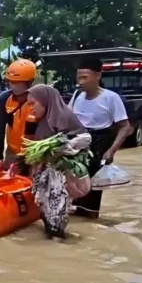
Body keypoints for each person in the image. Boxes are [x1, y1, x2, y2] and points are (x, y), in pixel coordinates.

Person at [68, 58, 133, 219]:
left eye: (85, 77)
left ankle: (90, 217)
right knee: (76, 180)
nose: (80, 82)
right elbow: (67, 118)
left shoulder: (111, 98)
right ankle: (78, 215)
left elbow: (125, 126)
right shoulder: (77, 95)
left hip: (99, 144)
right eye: (78, 78)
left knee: (93, 186)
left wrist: (111, 151)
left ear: (98, 76)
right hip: (78, 143)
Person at [26, 85, 91, 239]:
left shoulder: (64, 117)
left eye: (33, 104)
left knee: (57, 209)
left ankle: (57, 240)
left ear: (45, 101)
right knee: (45, 207)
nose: (31, 109)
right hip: (45, 173)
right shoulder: (41, 122)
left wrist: (65, 147)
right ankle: (52, 237)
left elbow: (85, 139)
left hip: (62, 174)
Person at [0, 58, 39, 175]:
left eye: (17, 82)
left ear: (29, 82)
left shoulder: (40, 100)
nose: (12, 86)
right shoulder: (4, 99)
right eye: (10, 81)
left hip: (35, 155)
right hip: (12, 153)